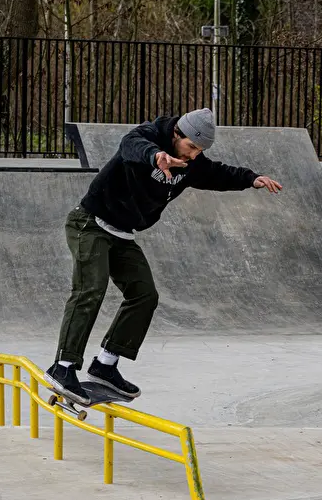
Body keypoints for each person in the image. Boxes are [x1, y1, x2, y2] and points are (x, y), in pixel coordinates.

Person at [45, 108, 282, 404]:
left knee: (145, 295)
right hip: (90, 224)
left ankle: (105, 364)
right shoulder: (148, 136)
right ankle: (63, 367)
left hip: (122, 233)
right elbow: (132, 145)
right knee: (90, 289)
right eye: (191, 147)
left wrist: (252, 179)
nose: (194, 155)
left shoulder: (192, 163)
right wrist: (156, 157)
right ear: (176, 134)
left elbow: (218, 173)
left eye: (200, 150)